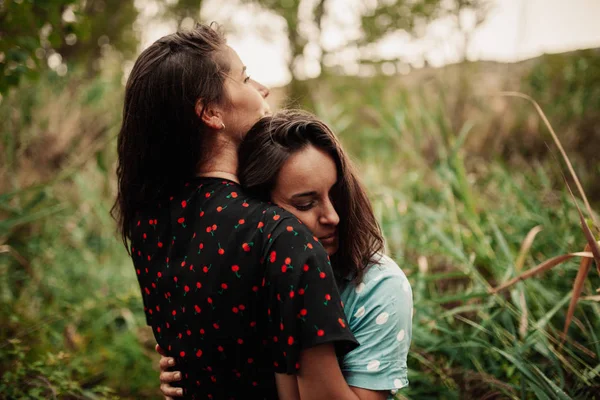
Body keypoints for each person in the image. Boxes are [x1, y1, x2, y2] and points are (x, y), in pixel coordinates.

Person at [113, 24, 364, 399]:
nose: (262, 89)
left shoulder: (147, 224)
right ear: (211, 112)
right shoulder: (282, 236)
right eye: (245, 77)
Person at [157, 110, 413, 400]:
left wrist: (301, 307)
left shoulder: (380, 287)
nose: (333, 216)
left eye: (338, 193)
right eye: (305, 203)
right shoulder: (231, 275)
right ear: (260, 213)